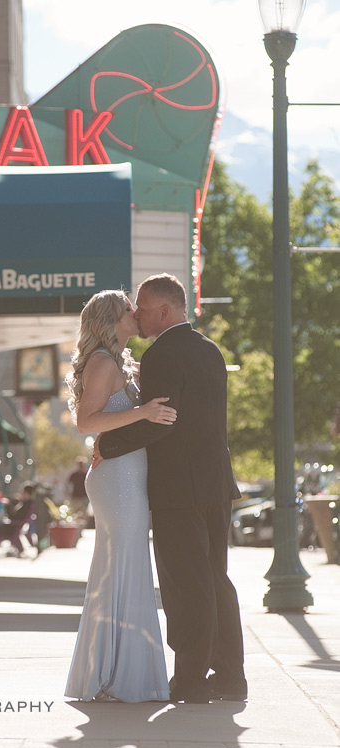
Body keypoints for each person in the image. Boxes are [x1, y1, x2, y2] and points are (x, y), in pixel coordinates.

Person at [94, 273, 247, 704]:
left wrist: (108, 444)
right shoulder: (209, 350)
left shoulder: (162, 353)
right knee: (216, 579)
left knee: (186, 585)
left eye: (141, 308)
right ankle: (232, 678)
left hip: (179, 489)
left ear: (164, 310)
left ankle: (193, 681)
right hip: (216, 483)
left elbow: (160, 422)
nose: (136, 315)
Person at [64, 289, 177, 703]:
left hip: (127, 473)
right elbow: (85, 421)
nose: (136, 312)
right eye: (129, 307)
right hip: (118, 478)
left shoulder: (120, 363)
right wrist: (143, 412)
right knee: (125, 566)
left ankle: (112, 673)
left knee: (121, 569)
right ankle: (117, 676)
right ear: (112, 317)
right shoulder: (101, 362)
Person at [66, 456, 90, 525]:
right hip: (75, 497)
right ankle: (76, 528)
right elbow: (68, 485)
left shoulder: (86, 475)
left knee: (83, 514)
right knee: (75, 513)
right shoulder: (74, 475)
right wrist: (68, 493)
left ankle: (81, 528)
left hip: (84, 497)